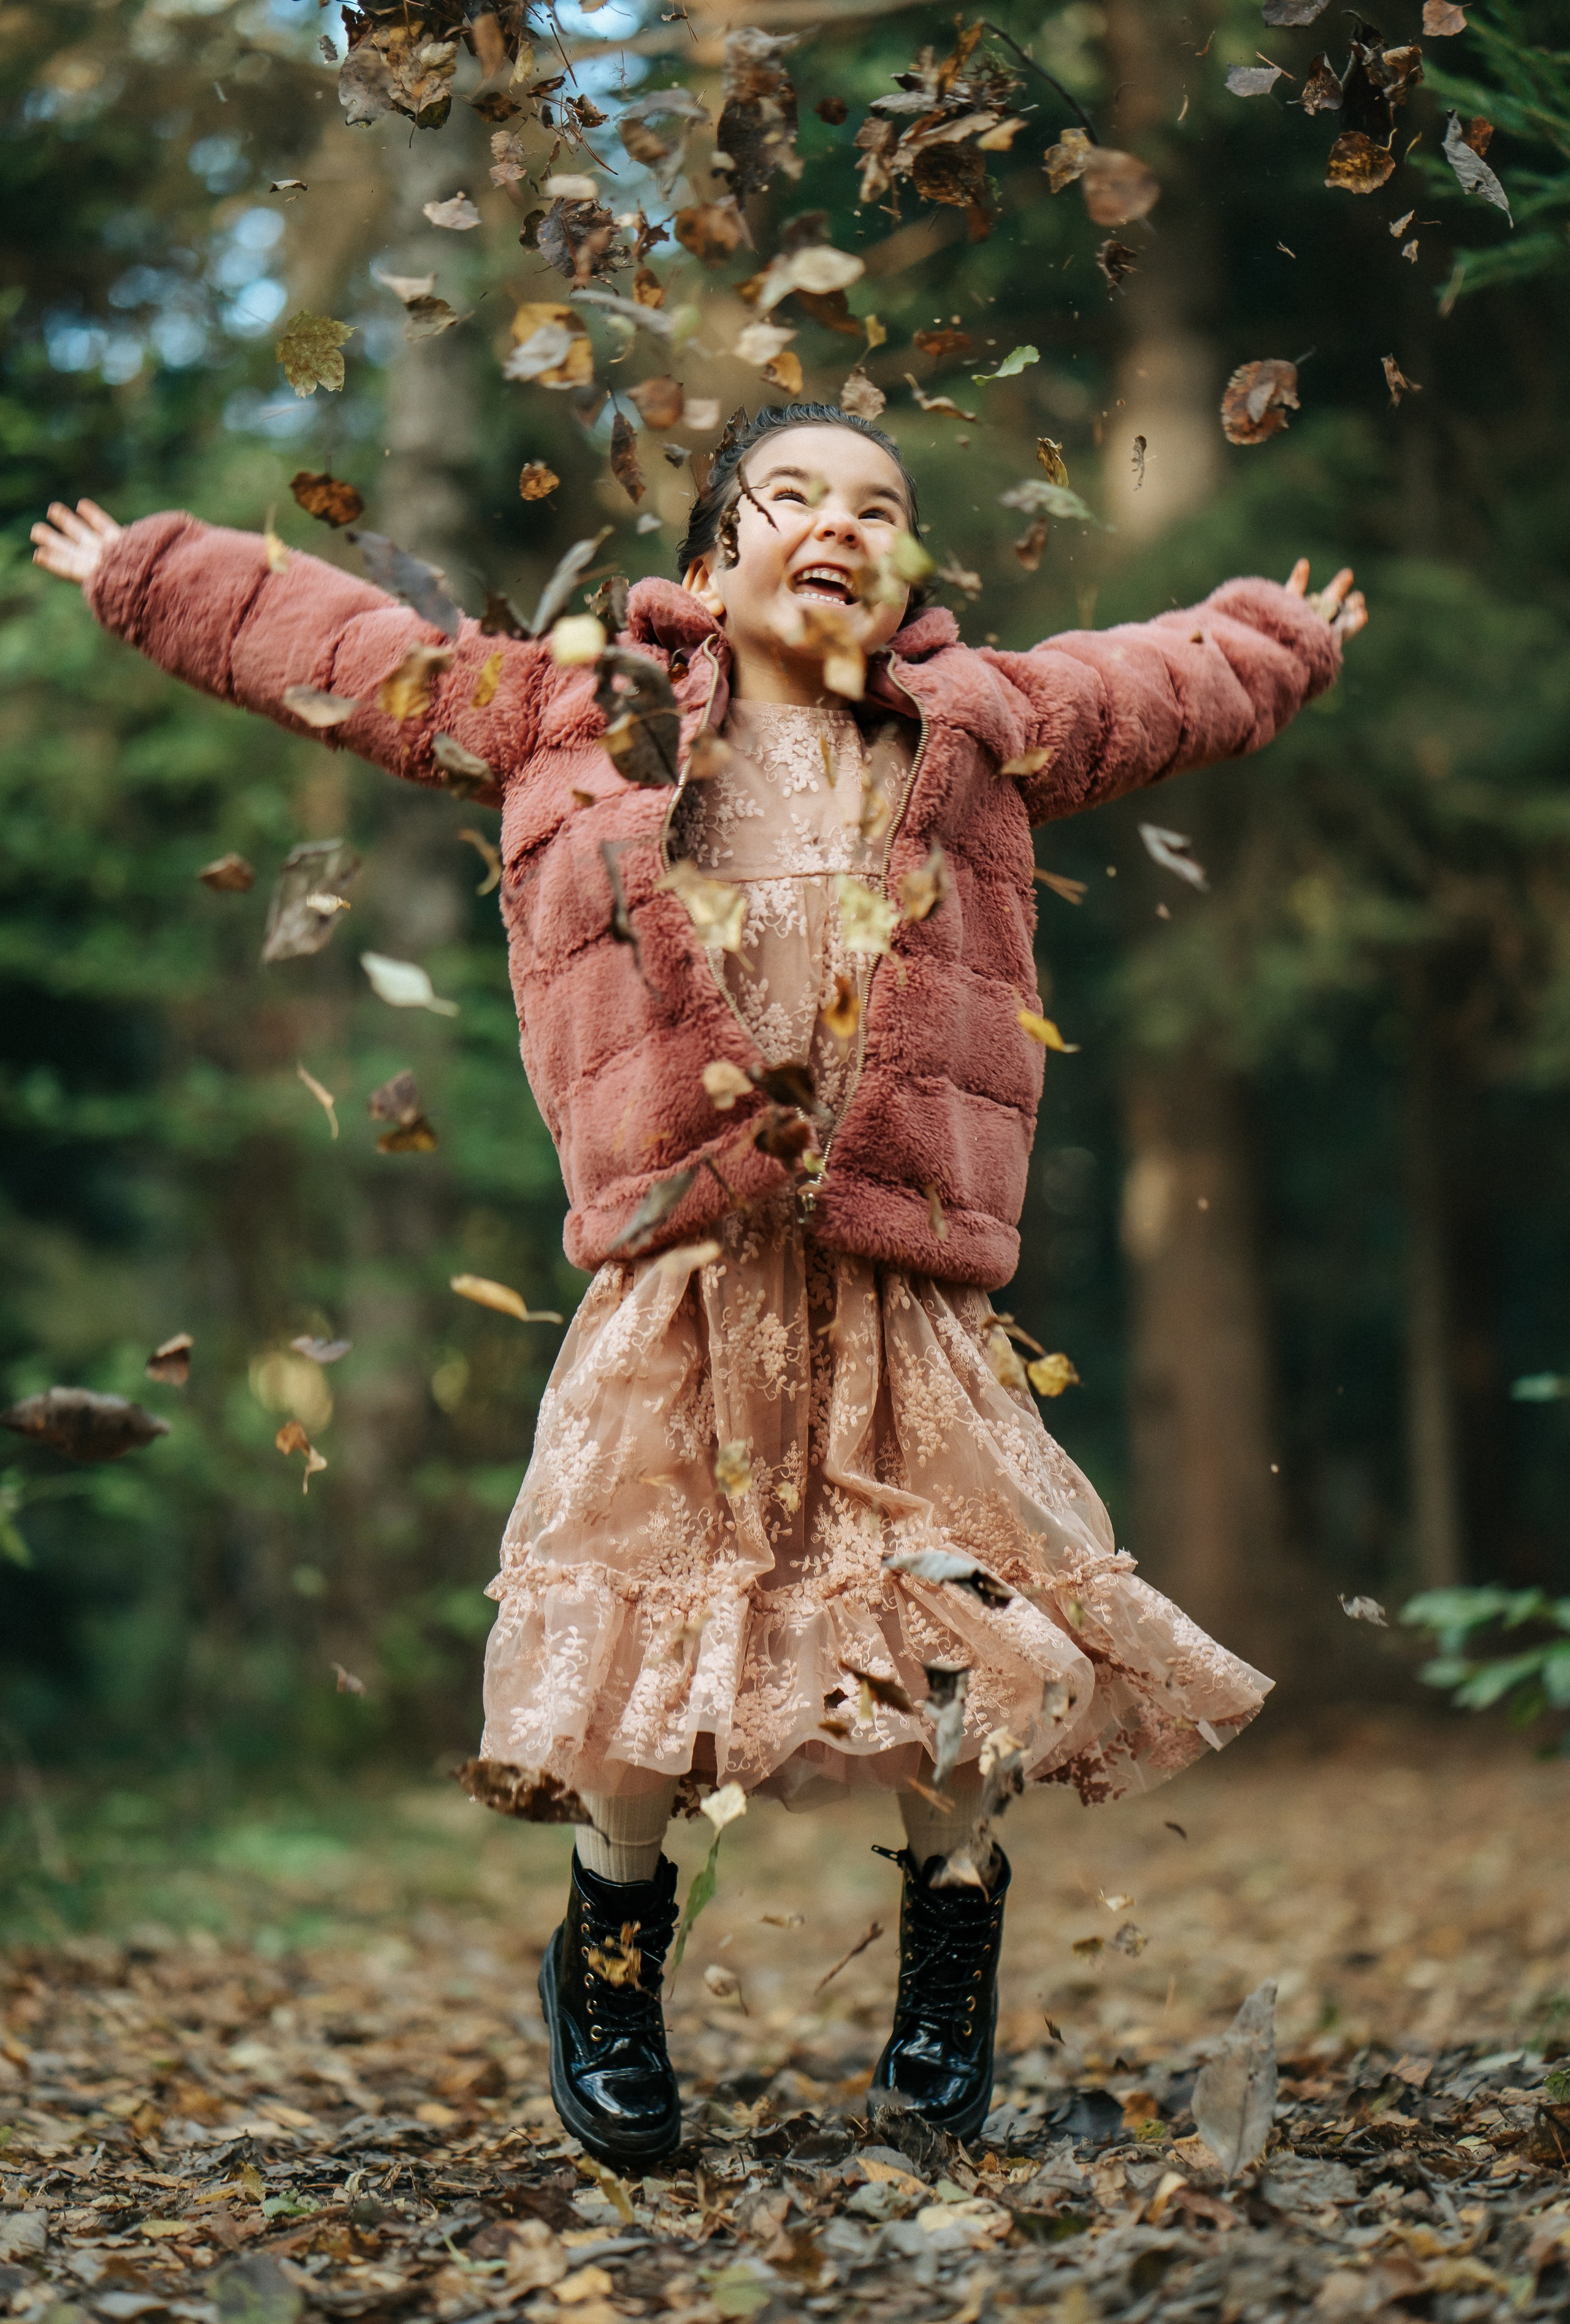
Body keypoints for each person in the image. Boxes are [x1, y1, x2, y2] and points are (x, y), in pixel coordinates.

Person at [33, 403, 1366, 2167]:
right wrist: (150, 572)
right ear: (711, 556)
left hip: (899, 1284)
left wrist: (1281, 637)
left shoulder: (976, 729)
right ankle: (607, 1963)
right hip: (686, 1273)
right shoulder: (574, 724)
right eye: (794, 495)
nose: (840, 523)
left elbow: (1150, 685)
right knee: (646, 1653)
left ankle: (943, 1996)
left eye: (882, 508)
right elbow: (359, 658)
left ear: (908, 580)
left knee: (964, 1642)